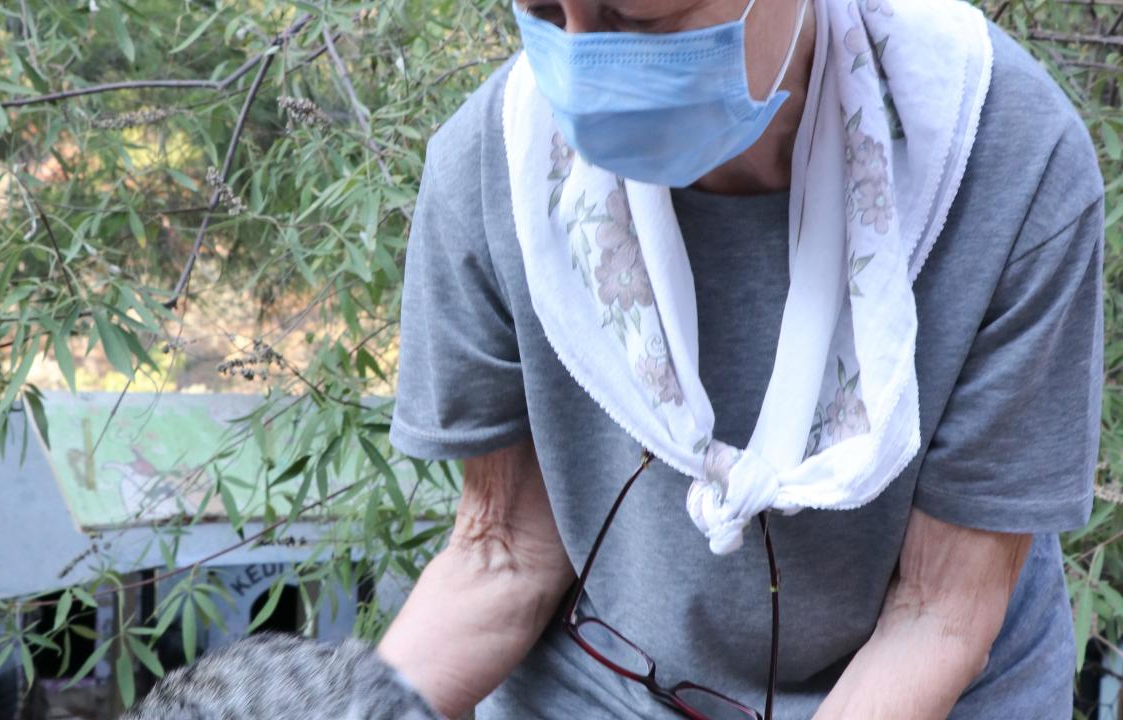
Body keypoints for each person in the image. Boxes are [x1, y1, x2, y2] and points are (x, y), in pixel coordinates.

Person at [378, 0, 1105, 718]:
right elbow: (503, 550)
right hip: (604, 677)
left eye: (635, 17)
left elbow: (939, 615)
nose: (583, 64)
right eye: (544, 12)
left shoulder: (1005, 158)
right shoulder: (497, 165)